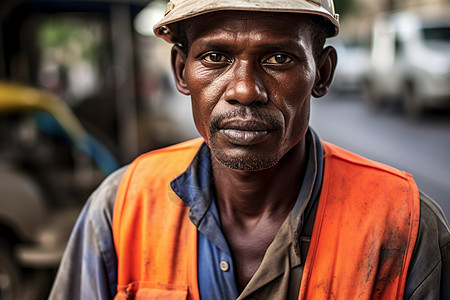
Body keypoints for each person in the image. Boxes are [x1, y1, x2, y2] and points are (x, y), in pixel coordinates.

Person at [49, 0, 450, 299]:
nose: (244, 90)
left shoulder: (403, 222)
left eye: (278, 58)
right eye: (215, 57)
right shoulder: (122, 206)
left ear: (322, 73)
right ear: (181, 72)